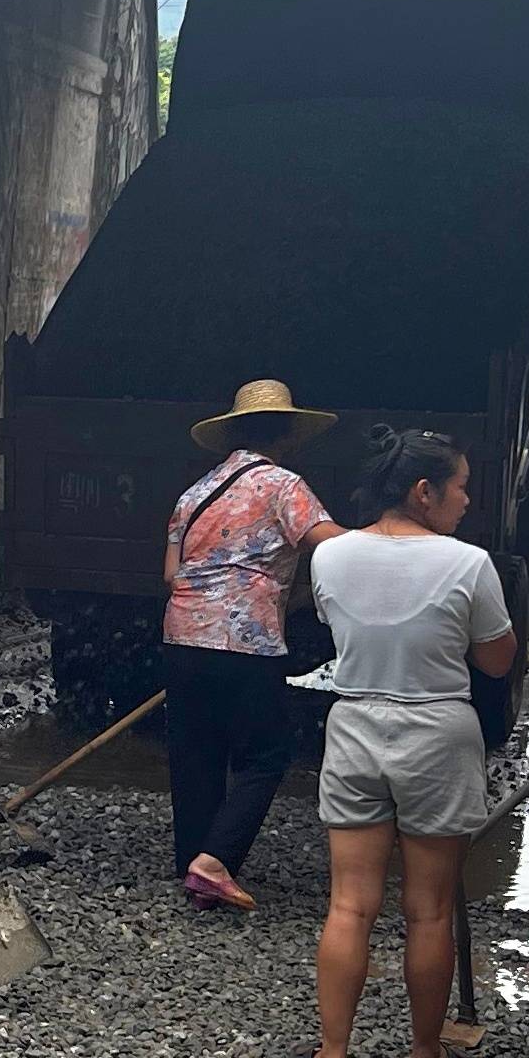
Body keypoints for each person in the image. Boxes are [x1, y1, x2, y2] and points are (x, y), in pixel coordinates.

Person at [298, 429, 516, 1058]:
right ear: (424, 492)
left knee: (348, 904)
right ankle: (424, 1052)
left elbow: (335, 627)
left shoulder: (329, 556)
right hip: (438, 733)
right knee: (427, 908)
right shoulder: (468, 562)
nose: (466, 500)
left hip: (355, 723)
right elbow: (497, 661)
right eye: (459, 487)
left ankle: (331, 1056)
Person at [162, 379, 345, 910]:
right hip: (246, 643)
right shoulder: (285, 486)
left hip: (181, 636)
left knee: (195, 751)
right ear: (287, 434)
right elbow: (331, 547)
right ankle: (215, 861)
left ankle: (191, 863)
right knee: (266, 752)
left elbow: (173, 575)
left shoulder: (193, 493)